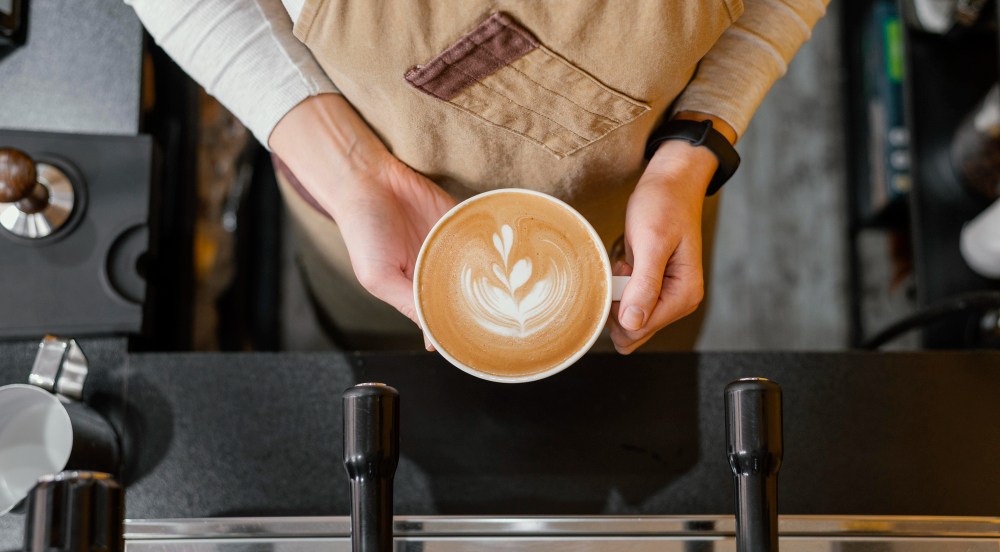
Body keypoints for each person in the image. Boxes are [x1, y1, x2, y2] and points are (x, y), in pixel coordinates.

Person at [124, 0, 829, 353]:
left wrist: (695, 142)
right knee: (394, 363)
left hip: (641, 214)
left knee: (634, 378)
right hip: (366, 218)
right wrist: (348, 168)